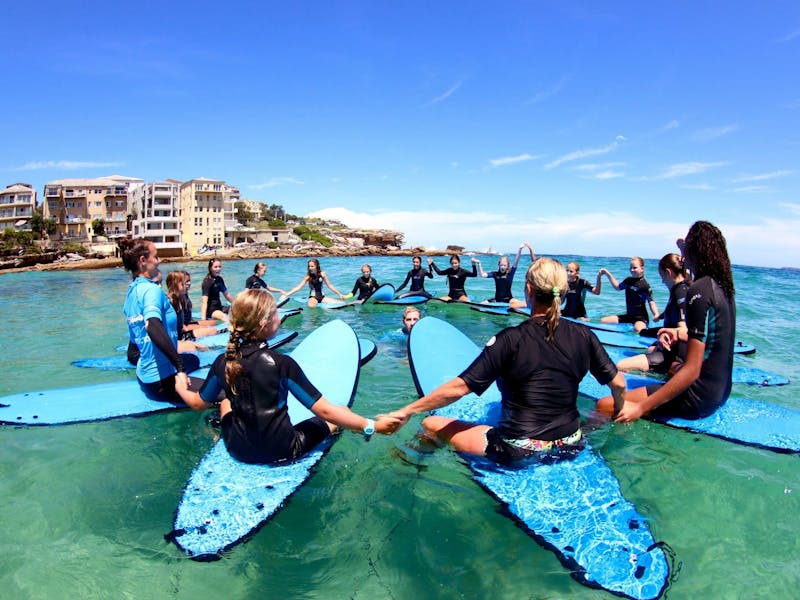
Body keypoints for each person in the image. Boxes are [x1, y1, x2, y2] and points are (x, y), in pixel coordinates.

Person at [390, 257, 626, 465]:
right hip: (572, 443)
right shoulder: (585, 335)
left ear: (528, 290)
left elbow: (460, 388)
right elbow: (618, 384)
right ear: (563, 294)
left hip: (517, 450)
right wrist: (619, 409)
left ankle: (409, 467)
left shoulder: (510, 339)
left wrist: (408, 410)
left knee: (432, 424)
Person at [175, 289, 402, 464]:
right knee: (340, 412)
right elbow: (323, 410)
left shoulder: (222, 362)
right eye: (275, 312)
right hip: (283, 450)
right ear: (265, 323)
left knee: (225, 401)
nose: (279, 316)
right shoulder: (282, 363)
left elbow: (197, 403)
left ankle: (217, 434)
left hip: (238, 451)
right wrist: (372, 425)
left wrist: (180, 388)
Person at [600, 221, 736, 422]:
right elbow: (714, 341)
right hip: (721, 393)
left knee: (604, 405)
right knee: (673, 368)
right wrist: (677, 333)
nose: (682, 256)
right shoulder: (724, 287)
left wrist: (640, 408)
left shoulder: (698, 290)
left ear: (696, 251)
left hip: (699, 397)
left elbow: (692, 371)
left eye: (686, 249)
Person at [119, 239, 205, 407]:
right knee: (225, 395)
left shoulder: (131, 292)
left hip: (145, 375)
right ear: (143, 261)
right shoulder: (151, 290)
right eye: (156, 257)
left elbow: (136, 339)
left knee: (193, 361)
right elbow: (152, 325)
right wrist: (179, 368)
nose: (159, 261)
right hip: (162, 381)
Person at [616, 253, 691, 374]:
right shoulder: (684, 287)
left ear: (668, 272)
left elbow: (684, 330)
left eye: (662, 276)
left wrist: (666, 333)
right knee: (650, 349)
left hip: (673, 353)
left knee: (621, 365)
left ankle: (667, 371)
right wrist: (660, 316)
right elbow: (677, 311)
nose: (662, 281)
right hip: (674, 348)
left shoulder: (679, 293)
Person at [598, 257, 658, 332]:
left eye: (634, 268)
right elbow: (617, 287)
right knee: (603, 321)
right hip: (629, 316)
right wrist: (607, 274)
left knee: (638, 329)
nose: (632, 270)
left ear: (642, 268)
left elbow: (651, 302)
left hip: (640, 319)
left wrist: (656, 314)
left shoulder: (644, 285)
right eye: (630, 268)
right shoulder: (628, 281)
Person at [474, 242, 535, 307]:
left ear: (507, 266)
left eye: (504, 265)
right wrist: (479, 264)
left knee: (524, 304)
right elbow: (482, 275)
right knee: (481, 304)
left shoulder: (510, 274)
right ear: (499, 265)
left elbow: (516, 261)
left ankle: (533, 305)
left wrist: (520, 249)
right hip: (497, 299)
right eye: (501, 265)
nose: (502, 267)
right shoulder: (495, 274)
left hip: (509, 299)